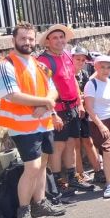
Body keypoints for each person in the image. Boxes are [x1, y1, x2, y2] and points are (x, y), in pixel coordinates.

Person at [0, 22, 66, 218]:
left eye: (31, 39)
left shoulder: (38, 64)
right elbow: (12, 95)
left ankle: (40, 202)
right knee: (32, 166)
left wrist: (47, 103)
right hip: (22, 125)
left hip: (43, 123)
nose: (27, 42)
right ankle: (23, 209)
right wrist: (44, 102)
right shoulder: (5, 65)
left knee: (43, 164)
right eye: (23, 38)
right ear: (13, 40)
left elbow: (53, 89)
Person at [37, 24, 94, 195]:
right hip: (58, 110)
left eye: (62, 37)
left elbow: (73, 81)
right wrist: (53, 114)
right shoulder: (43, 61)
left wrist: (80, 103)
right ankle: (59, 184)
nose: (60, 40)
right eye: (55, 37)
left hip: (73, 107)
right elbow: (44, 89)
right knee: (58, 146)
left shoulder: (68, 56)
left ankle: (72, 179)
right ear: (47, 41)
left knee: (71, 144)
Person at [83, 54, 110, 199]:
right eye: (102, 67)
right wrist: (101, 125)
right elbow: (89, 108)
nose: (106, 70)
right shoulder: (91, 84)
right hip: (98, 122)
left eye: (108, 67)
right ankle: (109, 184)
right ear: (96, 67)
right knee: (108, 151)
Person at [71, 45, 103, 184]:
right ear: (71, 59)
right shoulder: (67, 74)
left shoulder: (83, 74)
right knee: (75, 145)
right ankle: (80, 174)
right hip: (72, 113)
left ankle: (98, 171)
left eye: (83, 60)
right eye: (78, 59)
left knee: (88, 142)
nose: (81, 62)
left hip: (83, 112)